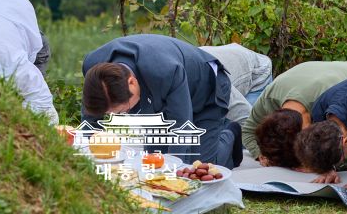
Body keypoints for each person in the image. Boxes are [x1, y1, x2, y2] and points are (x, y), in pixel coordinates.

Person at [82, 34, 242, 167]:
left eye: (124, 110)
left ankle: (229, 133)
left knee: (197, 165)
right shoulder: (95, 71)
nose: (122, 115)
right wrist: (88, 155)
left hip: (205, 92)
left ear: (131, 82)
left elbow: (182, 125)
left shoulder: (165, 71)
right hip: (163, 99)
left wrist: (175, 172)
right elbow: (90, 119)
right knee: (155, 161)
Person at [243, 60, 347, 167]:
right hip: (318, 74)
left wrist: (320, 166)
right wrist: (259, 153)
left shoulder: (333, 107)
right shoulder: (269, 98)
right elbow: (248, 130)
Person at [200, 43, 273, 124]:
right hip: (233, 60)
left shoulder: (211, 83)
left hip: (258, 73)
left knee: (253, 127)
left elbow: (248, 121)